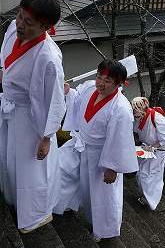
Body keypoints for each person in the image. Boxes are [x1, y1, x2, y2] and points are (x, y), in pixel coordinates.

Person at [0, 0, 66, 233]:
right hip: (11, 109)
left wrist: (47, 137)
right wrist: (1, 76)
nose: (20, 24)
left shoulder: (48, 58)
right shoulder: (13, 28)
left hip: (31, 119)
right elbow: (10, 63)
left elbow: (54, 100)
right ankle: (14, 199)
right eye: (20, 16)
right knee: (11, 160)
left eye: (28, 22)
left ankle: (37, 213)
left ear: (46, 26)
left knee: (32, 168)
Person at [54, 60, 138, 242]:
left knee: (100, 197)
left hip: (102, 157)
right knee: (60, 170)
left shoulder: (121, 109)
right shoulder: (90, 87)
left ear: (119, 84)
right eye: (99, 77)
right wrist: (69, 92)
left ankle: (103, 230)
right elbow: (78, 100)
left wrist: (112, 168)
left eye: (107, 81)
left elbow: (120, 141)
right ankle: (63, 203)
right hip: (80, 145)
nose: (100, 83)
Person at [130, 96, 165, 211]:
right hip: (146, 148)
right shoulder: (139, 117)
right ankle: (146, 197)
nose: (135, 115)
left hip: (158, 150)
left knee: (149, 175)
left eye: (136, 112)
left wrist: (154, 146)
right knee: (142, 173)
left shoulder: (156, 118)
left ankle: (151, 201)